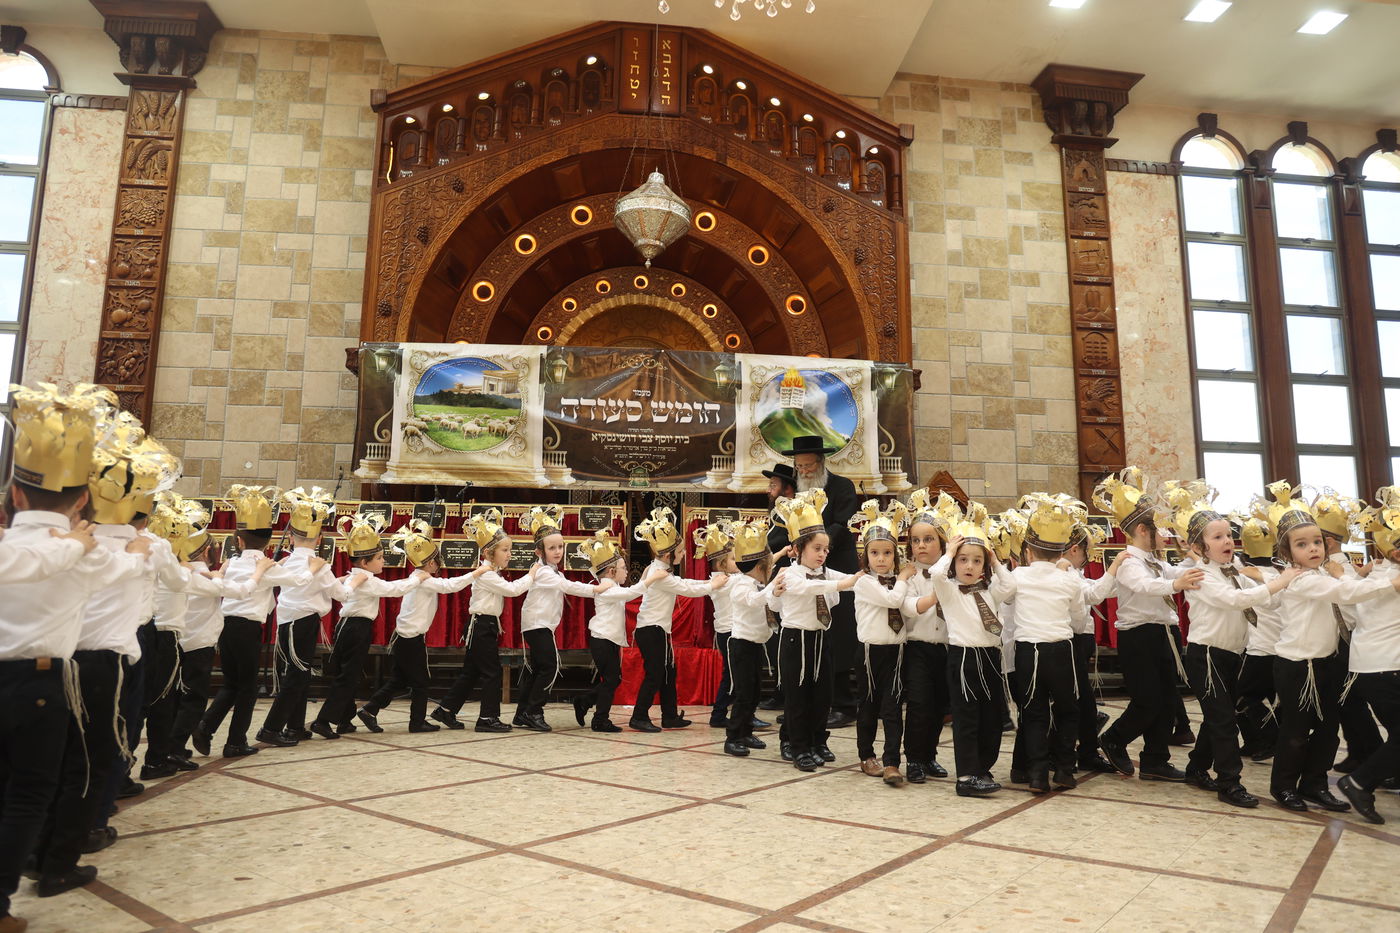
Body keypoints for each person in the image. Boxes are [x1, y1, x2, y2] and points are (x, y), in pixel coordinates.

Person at [0, 383, 148, 926]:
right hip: (41, 685)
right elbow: (130, 565)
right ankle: (25, 885)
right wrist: (113, 544)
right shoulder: (82, 556)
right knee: (30, 791)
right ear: (82, 499)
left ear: (15, 494)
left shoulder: (16, 546)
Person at [1259, 482, 1400, 813]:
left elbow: (1349, 606)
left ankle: (1314, 784)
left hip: (1325, 662)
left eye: (1317, 542)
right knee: (1295, 731)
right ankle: (1283, 787)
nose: (1313, 548)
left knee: (1326, 731)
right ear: (1287, 552)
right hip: (1297, 666)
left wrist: (1359, 576)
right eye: (1302, 544)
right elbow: (1348, 595)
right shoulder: (1303, 579)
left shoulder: (1323, 574)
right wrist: (1389, 583)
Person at [1168, 485, 1299, 809]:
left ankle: (1197, 768)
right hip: (1207, 655)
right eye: (1217, 537)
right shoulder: (1198, 575)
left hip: (1231, 654)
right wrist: (1278, 582)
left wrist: (1288, 590)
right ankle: (1230, 783)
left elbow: (1261, 602)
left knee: (1218, 717)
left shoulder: (1232, 572)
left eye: (1228, 535)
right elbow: (1235, 601)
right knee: (1224, 719)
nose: (1227, 541)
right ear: (1199, 546)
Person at [1093, 468, 1204, 781]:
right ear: (1143, 530)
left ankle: (1155, 759)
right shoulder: (1129, 562)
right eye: (1159, 529)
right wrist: (1178, 583)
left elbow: (1169, 573)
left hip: (1161, 633)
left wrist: (1190, 558)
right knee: (1147, 700)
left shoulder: (1154, 560)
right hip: (1138, 636)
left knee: (1169, 700)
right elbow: (1145, 586)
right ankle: (1114, 738)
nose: (1164, 535)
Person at [194, 486, 318, 758]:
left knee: (231, 683)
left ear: (238, 540)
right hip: (248, 630)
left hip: (226, 627)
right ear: (270, 540)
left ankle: (205, 725)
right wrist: (313, 569)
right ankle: (235, 742)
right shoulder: (268, 566)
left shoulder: (234, 562)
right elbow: (297, 582)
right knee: (247, 688)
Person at [1004, 494, 1101, 794]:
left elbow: (1004, 598)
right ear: (1061, 551)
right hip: (1060, 649)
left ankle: (1035, 773)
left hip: (1027, 651)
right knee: (1067, 710)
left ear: (1029, 551)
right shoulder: (1070, 579)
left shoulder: (1017, 575)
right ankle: (1063, 769)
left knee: (1032, 713)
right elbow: (1076, 619)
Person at [924, 502, 1015, 797]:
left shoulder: (991, 591)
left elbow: (1011, 586)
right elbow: (936, 575)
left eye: (977, 561)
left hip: (990, 656)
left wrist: (996, 560)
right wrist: (949, 551)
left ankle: (982, 767)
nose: (969, 566)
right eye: (963, 560)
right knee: (967, 719)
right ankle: (966, 776)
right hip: (963, 658)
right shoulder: (948, 590)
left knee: (991, 718)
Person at [310, 513, 424, 738]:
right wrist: (416, 579)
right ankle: (323, 721)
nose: (383, 561)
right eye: (380, 558)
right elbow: (394, 590)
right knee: (348, 676)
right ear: (364, 562)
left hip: (346, 627)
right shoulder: (367, 579)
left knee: (350, 673)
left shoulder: (356, 574)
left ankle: (344, 720)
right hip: (356, 629)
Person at [772, 490, 861, 771]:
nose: (823, 554)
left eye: (826, 550)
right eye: (817, 549)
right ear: (799, 549)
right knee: (798, 695)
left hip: (821, 638)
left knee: (822, 694)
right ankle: (798, 747)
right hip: (795, 639)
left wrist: (865, 579)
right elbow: (811, 588)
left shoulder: (826, 573)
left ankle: (816, 740)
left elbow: (849, 579)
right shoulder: (790, 574)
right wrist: (842, 585)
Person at [358, 521, 469, 733]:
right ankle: (416, 722)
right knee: (421, 682)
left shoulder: (418, 577)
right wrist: (476, 573)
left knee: (399, 680)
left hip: (404, 637)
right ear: (430, 564)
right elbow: (449, 586)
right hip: (410, 639)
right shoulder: (424, 580)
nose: (438, 565)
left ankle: (369, 710)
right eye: (436, 561)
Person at [431, 509, 531, 732]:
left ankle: (446, 710)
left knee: (472, 672)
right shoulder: (486, 573)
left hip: (484, 625)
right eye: (505, 550)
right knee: (491, 672)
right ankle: (487, 718)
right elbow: (513, 590)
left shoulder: (491, 572)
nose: (509, 555)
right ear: (489, 552)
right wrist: (531, 575)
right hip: (482, 625)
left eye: (509, 550)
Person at [514, 506, 613, 732]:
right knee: (549, 667)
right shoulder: (544, 572)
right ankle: (534, 711)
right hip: (538, 625)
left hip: (540, 626)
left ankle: (523, 713)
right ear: (540, 551)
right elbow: (568, 587)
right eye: (552, 548)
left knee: (538, 669)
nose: (558, 551)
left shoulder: (551, 569)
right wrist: (597, 589)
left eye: (560, 546)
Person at [785, 435, 860, 729]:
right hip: (806, 571)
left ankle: (845, 704)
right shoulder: (796, 492)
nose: (802, 471)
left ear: (820, 463)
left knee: (839, 636)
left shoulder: (842, 487)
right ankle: (815, 703)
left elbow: (841, 525)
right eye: (799, 466)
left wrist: (818, 547)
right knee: (812, 634)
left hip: (837, 569)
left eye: (807, 465)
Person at [629, 507, 725, 732]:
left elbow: (687, 583)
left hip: (658, 630)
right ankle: (639, 716)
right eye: (680, 552)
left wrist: (709, 583)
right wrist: (713, 586)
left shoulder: (662, 570)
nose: (683, 555)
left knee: (668, 672)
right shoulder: (659, 574)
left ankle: (670, 716)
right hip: (651, 630)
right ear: (666, 554)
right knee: (655, 674)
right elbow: (686, 589)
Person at [257, 487, 338, 747]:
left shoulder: (289, 562)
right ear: (320, 537)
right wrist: (353, 584)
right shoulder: (318, 565)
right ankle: (270, 728)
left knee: (298, 672)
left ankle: (295, 727)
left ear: (291, 537)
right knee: (297, 674)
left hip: (286, 621)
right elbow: (342, 595)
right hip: (303, 622)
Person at [1336, 491, 1400, 823]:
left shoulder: (1374, 575)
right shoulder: (1389, 578)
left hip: (1370, 666)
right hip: (1386, 667)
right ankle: (1360, 782)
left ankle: (1390, 775)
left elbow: (1350, 617)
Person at [1313, 491, 1385, 773]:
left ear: (1329, 541)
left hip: (1349, 642)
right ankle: (1359, 752)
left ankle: (1374, 756)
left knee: (1351, 703)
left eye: (1317, 538)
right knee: (1345, 704)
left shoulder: (1340, 567)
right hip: (1337, 643)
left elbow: (1351, 607)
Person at [848, 500, 915, 787]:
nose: (881, 559)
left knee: (892, 708)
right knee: (868, 706)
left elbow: (907, 609)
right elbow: (892, 600)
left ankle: (891, 762)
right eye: (875, 553)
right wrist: (903, 578)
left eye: (887, 553)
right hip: (868, 652)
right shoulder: (864, 582)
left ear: (895, 554)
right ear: (865, 555)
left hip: (896, 652)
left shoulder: (900, 583)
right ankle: (866, 755)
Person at [574, 530, 666, 732]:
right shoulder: (607, 586)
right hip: (603, 639)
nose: (626, 572)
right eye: (623, 568)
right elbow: (632, 592)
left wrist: (646, 575)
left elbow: (629, 591)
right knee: (611, 679)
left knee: (612, 679)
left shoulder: (612, 585)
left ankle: (585, 701)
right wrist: (651, 579)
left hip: (607, 640)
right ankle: (600, 720)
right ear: (611, 572)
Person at [899, 489, 952, 782]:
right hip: (917, 647)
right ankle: (914, 759)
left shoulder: (954, 573)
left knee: (938, 706)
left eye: (928, 539)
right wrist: (937, 591)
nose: (921, 545)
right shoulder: (910, 575)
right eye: (916, 540)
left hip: (945, 647)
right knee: (919, 704)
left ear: (942, 544)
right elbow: (909, 609)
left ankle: (929, 756)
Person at [1060, 520, 1120, 774]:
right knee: (1079, 700)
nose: (1087, 558)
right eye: (1086, 552)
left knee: (1083, 700)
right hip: (1070, 639)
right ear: (1074, 549)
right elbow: (1093, 595)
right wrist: (1115, 567)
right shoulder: (1064, 571)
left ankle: (1086, 750)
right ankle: (1083, 752)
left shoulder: (1074, 572)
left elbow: (1097, 590)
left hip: (1080, 639)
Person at [721, 518, 784, 757]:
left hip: (756, 645)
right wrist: (773, 585)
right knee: (743, 693)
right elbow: (755, 600)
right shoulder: (740, 585)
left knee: (755, 692)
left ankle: (746, 732)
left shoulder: (756, 581)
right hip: (741, 646)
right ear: (759, 567)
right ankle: (732, 736)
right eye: (767, 566)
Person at [1231, 513, 1285, 763]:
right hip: (1277, 645)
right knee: (1272, 697)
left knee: (1244, 697)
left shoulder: (1246, 574)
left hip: (1260, 647)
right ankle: (1255, 741)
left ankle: (1269, 738)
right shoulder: (1279, 571)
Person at [758, 464, 798, 712]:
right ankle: (780, 691)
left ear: (787, 488)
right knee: (775, 638)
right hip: (773, 584)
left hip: (787, 584)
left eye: (773, 486)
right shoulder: (777, 515)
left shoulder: (794, 514)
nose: (769, 490)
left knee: (783, 638)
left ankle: (786, 694)